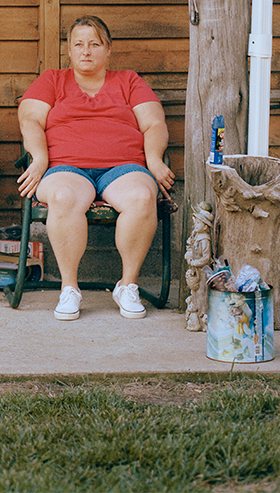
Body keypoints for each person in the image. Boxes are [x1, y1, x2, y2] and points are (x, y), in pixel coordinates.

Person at [16, 16, 172, 321]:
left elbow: (155, 123)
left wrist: (153, 160)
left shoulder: (128, 81)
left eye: (94, 44)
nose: (86, 51)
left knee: (142, 197)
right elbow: (30, 120)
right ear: (70, 51)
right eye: (79, 44)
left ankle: (127, 285)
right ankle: (69, 288)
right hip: (65, 166)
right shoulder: (53, 80)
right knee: (62, 196)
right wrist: (40, 158)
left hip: (124, 166)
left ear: (108, 49)